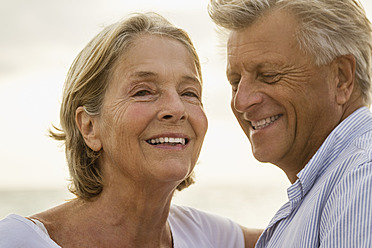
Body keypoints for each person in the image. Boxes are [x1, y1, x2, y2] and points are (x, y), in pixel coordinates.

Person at [0, 12, 258, 248]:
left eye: (189, 93)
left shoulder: (207, 236)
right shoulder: (17, 240)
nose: (177, 108)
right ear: (89, 127)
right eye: (144, 91)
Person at [208, 0, 372, 247]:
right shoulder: (333, 186)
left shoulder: (360, 181)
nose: (241, 102)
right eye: (234, 82)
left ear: (341, 79)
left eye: (269, 76)